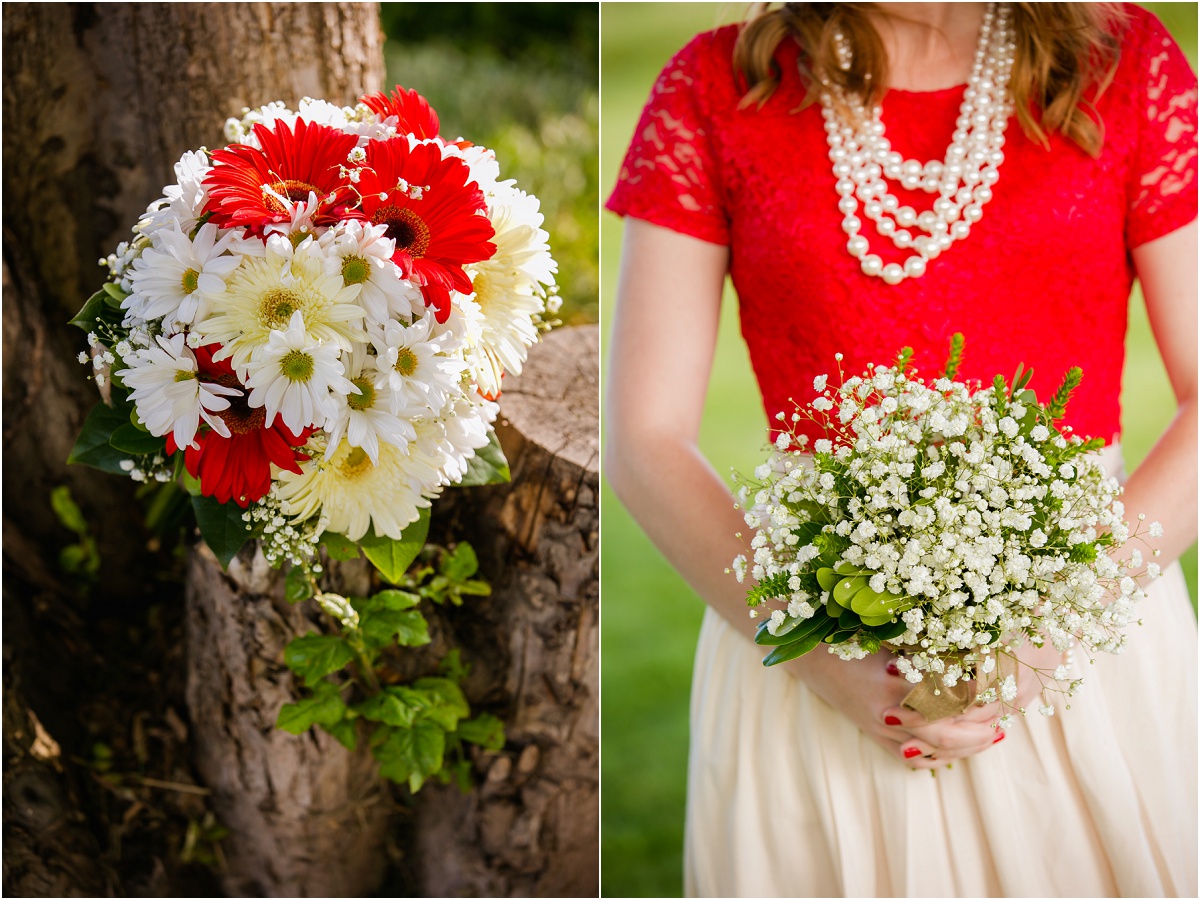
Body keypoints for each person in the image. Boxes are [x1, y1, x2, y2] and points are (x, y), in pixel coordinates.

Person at [604, 2, 1197, 896]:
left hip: (1085, 634)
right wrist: (812, 653)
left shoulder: (1124, 63)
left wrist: (1054, 630)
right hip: (806, 633)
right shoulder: (713, 87)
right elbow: (644, 434)